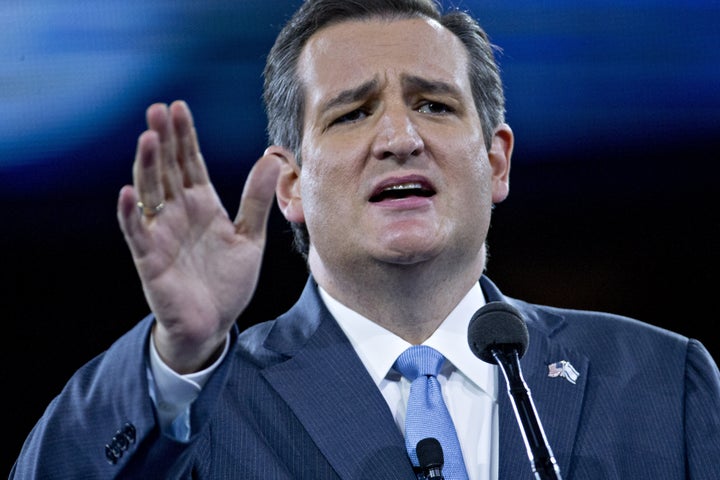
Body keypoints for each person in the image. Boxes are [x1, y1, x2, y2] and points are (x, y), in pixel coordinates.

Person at [10, 0, 720, 478]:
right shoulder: (203, 409)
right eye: (351, 115)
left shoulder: (663, 382)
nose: (399, 139)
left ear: (497, 159)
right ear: (290, 187)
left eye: (433, 105)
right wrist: (179, 354)